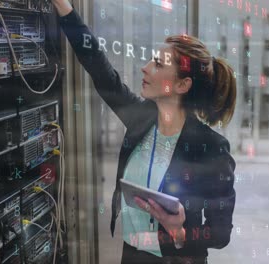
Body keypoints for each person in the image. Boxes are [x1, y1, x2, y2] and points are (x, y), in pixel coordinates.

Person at [52, 1, 237, 263]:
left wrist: (180, 232)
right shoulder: (141, 118)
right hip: (132, 254)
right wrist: (64, 8)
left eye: (158, 64)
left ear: (183, 84)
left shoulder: (211, 147)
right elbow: (100, 69)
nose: (145, 67)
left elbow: (220, 232)